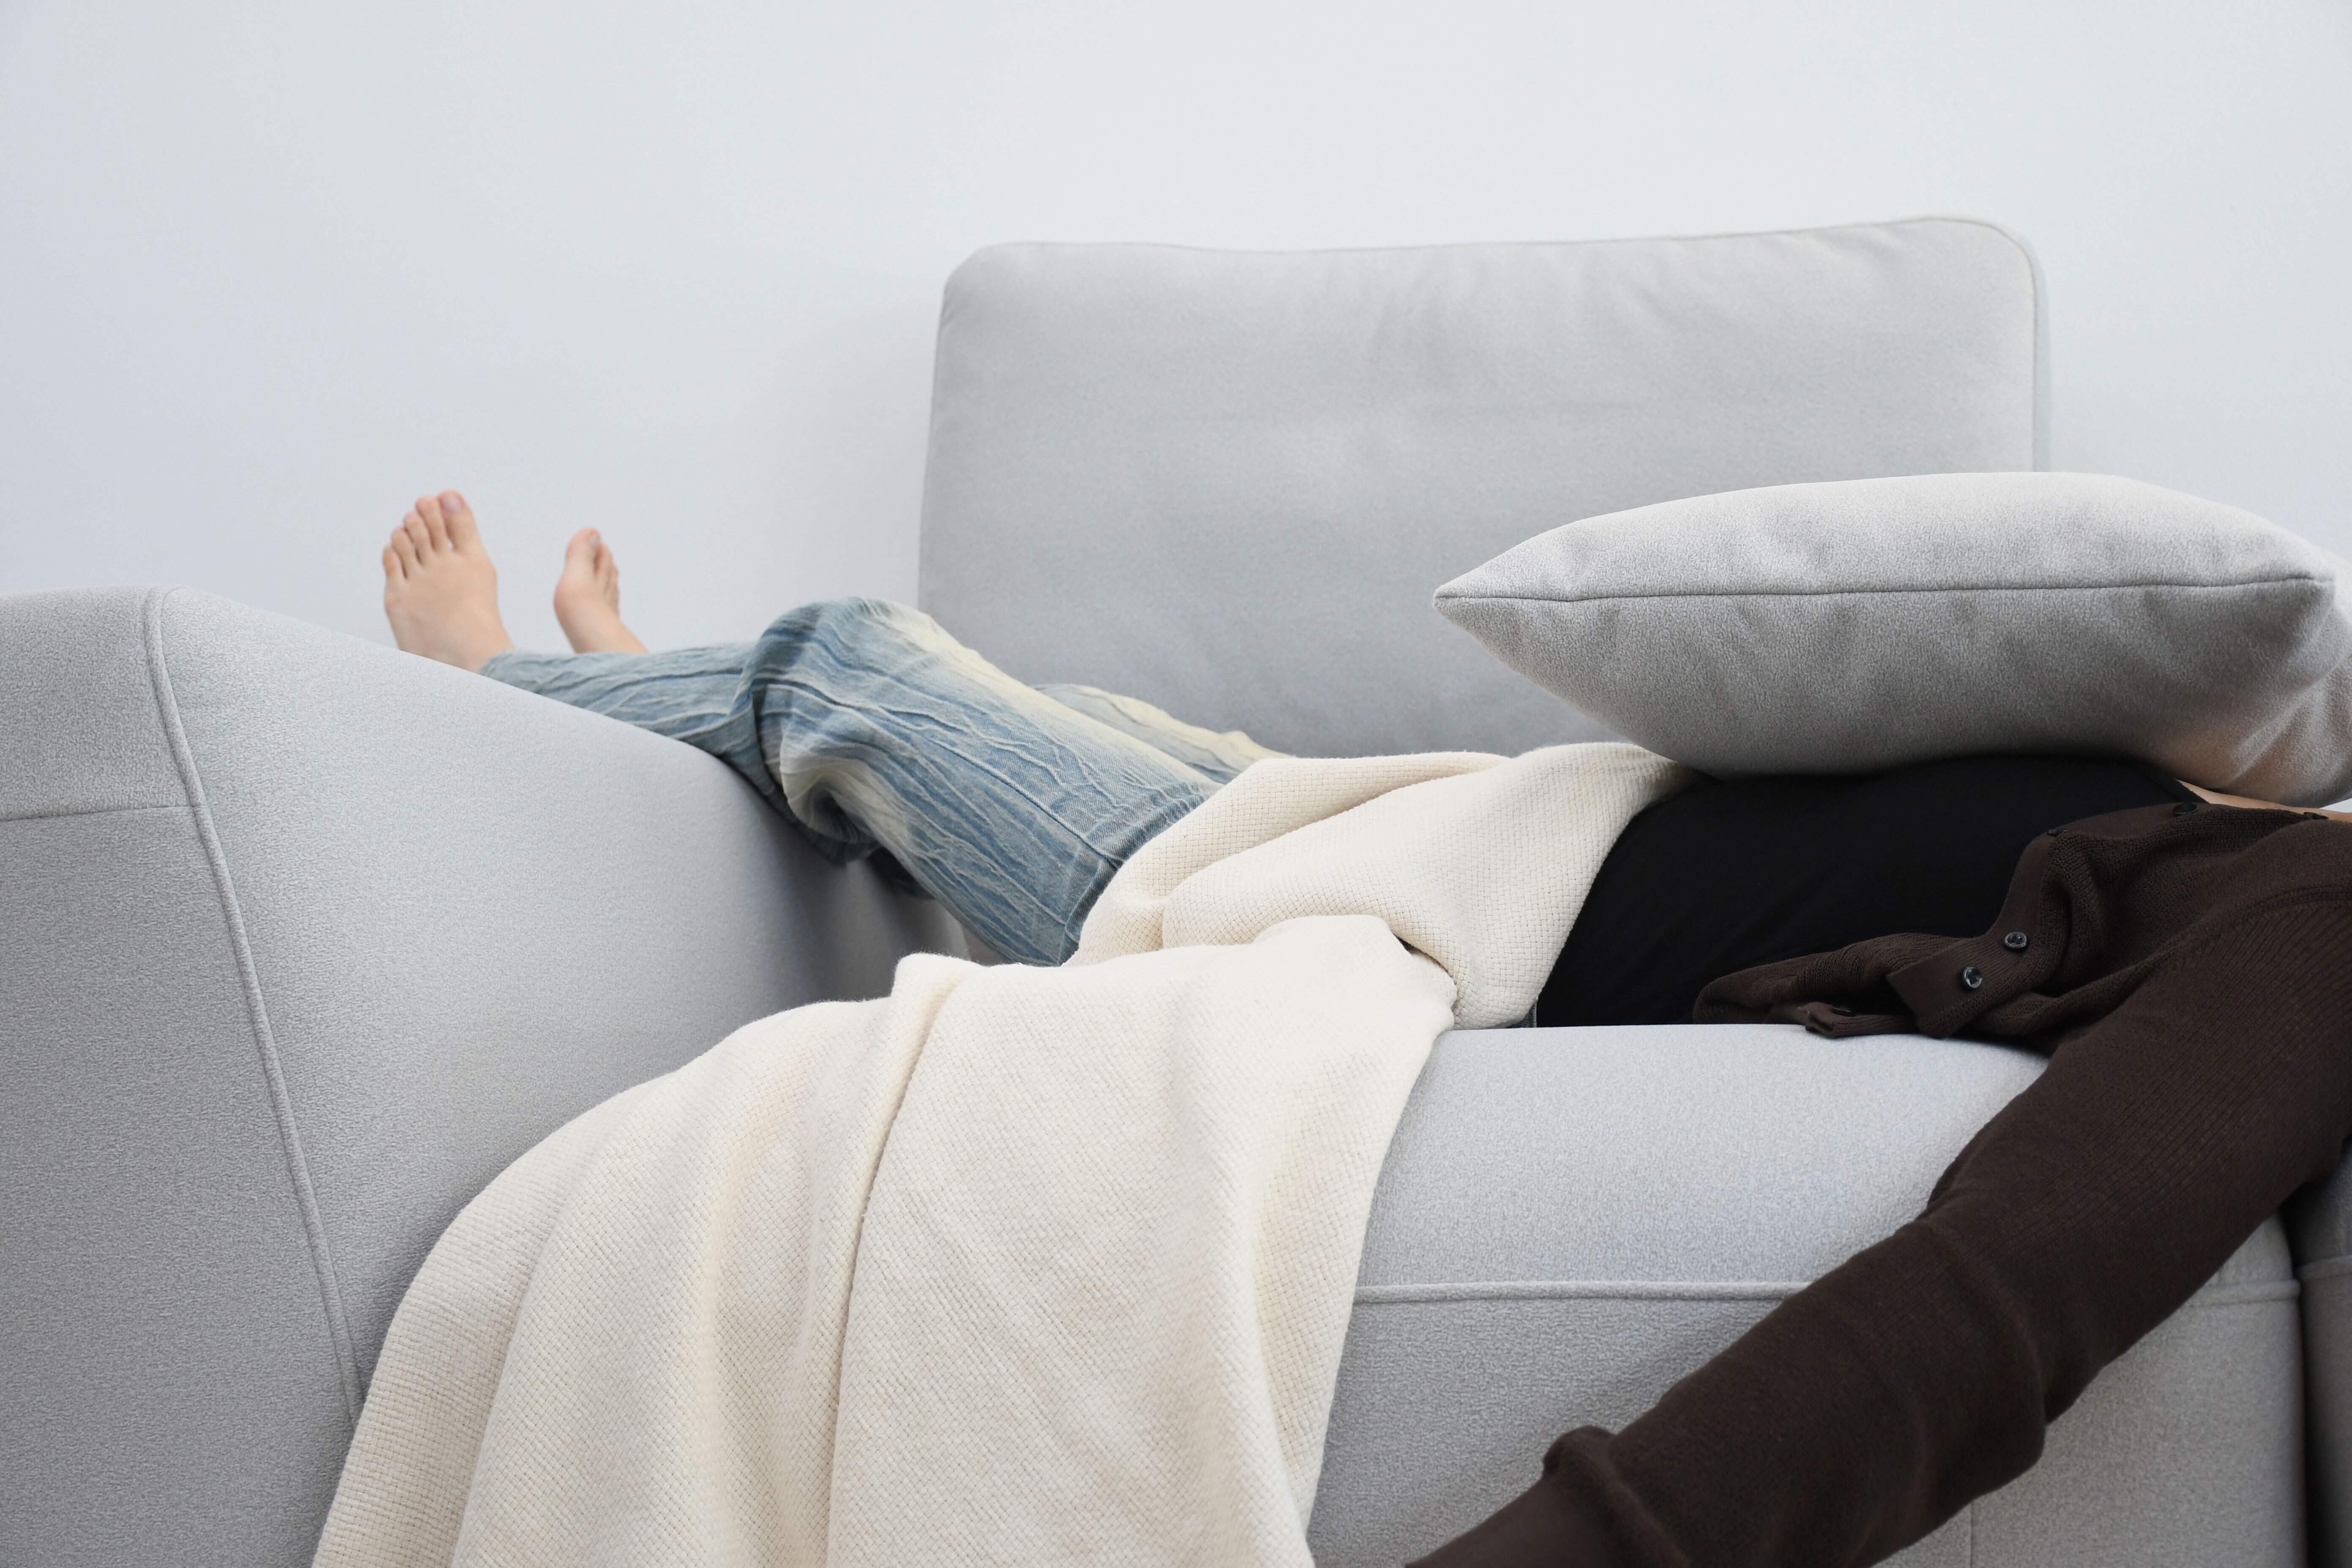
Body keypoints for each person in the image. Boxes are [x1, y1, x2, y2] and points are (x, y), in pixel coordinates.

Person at [381, 489, 2352, 1567]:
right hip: (1410, 805)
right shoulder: (2287, 809)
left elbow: (1996, 1305)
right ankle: (664, 691)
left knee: (848, 666)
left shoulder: (2320, 930)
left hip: (1364, 904)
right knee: (1003, 704)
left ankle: (508, 682)